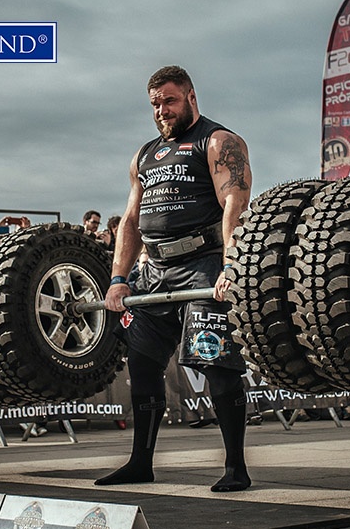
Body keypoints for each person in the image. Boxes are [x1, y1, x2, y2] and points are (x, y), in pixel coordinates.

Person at [95, 65, 253, 492]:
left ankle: (236, 467)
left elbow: (234, 205)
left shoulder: (219, 142)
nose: (162, 111)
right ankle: (140, 463)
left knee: (217, 365)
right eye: (155, 104)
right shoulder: (144, 155)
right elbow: (130, 220)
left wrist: (230, 267)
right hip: (155, 272)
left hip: (204, 264)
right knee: (144, 366)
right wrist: (118, 279)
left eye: (169, 100)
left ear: (191, 97)